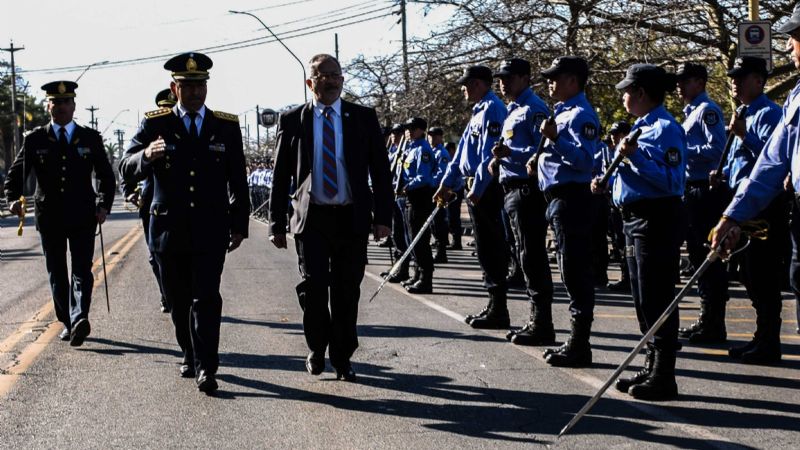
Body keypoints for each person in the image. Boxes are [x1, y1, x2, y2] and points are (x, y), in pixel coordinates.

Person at [119, 52, 250, 394]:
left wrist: (240, 223)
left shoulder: (225, 126)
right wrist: (146, 157)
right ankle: (189, 351)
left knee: (206, 297)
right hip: (168, 229)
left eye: (200, 86)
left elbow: (238, 180)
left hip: (210, 227)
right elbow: (125, 165)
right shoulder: (155, 124)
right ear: (174, 88)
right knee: (178, 300)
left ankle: (207, 365)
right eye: (188, 86)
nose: (195, 92)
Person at [268, 53, 393, 382]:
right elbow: (281, 175)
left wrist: (383, 217)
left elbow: (381, 171)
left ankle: (342, 356)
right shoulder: (294, 119)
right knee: (314, 286)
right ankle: (316, 346)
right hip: (312, 220)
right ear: (310, 82)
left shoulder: (362, 117)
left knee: (347, 289)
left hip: (350, 218)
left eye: (336, 75)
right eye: (324, 75)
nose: (332, 80)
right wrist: (276, 224)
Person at [711, 7, 800, 362]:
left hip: (771, 209)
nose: (791, 47)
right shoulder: (795, 97)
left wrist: (745, 136)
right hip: (775, 208)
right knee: (759, 276)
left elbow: (768, 161)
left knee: (764, 275)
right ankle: (764, 338)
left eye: (795, 38)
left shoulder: (767, 112)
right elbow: (771, 164)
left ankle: (767, 340)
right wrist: (732, 214)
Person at [4, 80, 115, 347]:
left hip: (82, 216)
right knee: (56, 271)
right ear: (48, 106)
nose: (61, 107)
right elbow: (16, 174)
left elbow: (106, 176)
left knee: (81, 270)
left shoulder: (89, 138)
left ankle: (79, 318)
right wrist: (12, 200)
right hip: (49, 216)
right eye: (55, 102)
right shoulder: (35, 139)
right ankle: (67, 320)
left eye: (66, 102)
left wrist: (103, 206)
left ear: (74, 105)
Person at [604, 63, 687, 400]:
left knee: (658, 295)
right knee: (642, 297)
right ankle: (651, 363)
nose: (623, 96)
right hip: (634, 218)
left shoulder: (666, 128)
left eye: (627, 90)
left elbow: (672, 181)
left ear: (640, 93)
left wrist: (635, 157)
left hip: (657, 217)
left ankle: (665, 373)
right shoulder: (641, 127)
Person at [532, 56, 599, 367]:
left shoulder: (582, 115)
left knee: (574, 272)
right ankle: (575, 340)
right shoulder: (563, 111)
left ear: (573, 81)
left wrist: (556, 139)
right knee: (566, 268)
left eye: (555, 77)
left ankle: (579, 342)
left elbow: (586, 161)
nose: (549, 82)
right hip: (557, 198)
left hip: (572, 198)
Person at [434, 65, 509, 329]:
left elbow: (490, 155)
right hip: (474, 188)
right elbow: (461, 156)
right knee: (484, 248)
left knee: (491, 247)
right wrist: (447, 184)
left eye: (467, 84)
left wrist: (477, 188)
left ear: (479, 84)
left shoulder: (493, 109)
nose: (463, 89)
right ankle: (493, 304)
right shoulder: (478, 112)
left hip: (486, 189)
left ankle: (499, 307)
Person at [488, 58, 555, 347]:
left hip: (527, 190)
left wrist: (510, 153)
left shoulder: (534, 109)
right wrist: (498, 160)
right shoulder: (513, 110)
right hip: (511, 189)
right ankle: (535, 319)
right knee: (523, 254)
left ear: (525, 78)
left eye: (510, 77)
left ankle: (542, 323)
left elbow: (545, 147)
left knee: (532, 255)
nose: (503, 82)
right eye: (501, 78)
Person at [676, 62, 730, 344]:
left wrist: (685, 150)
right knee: (698, 257)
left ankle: (714, 324)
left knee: (709, 258)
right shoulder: (690, 113)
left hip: (704, 191)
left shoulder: (707, 111)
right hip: (692, 189)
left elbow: (717, 147)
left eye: (685, 81)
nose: (679, 86)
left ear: (699, 82)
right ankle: (706, 318)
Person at [122, 87, 178, 314]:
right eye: (164, 107)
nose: (167, 111)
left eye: (171, 107)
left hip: (182, 202)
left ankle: (180, 296)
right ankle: (167, 295)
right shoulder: (152, 128)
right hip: (152, 201)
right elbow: (129, 165)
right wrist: (129, 191)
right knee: (156, 256)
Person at [396, 117, 437, 294]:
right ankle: (417, 273)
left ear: (421, 130)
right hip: (409, 197)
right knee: (411, 238)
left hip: (420, 197)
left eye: (413, 128)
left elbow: (424, 177)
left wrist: (407, 187)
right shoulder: (410, 149)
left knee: (420, 239)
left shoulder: (423, 150)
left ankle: (426, 279)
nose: (409, 131)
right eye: (407, 128)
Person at [604, 121, 633, 292]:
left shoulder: (627, 151)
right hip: (614, 204)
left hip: (627, 206)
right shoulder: (614, 152)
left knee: (627, 245)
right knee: (619, 243)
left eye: (617, 133)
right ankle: (625, 276)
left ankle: (630, 278)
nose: (613, 137)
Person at [427, 126, 450, 263]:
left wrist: (429, 181)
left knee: (439, 221)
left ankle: (441, 252)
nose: (432, 138)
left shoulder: (442, 153)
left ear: (441, 137)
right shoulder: (431, 151)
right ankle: (438, 249)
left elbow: (442, 173)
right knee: (433, 223)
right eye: (430, 135)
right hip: (432, 190)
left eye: (435, 135)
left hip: (438, 189)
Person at [443, 141, 465, 250]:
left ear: (452, 150)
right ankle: (449, 240)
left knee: (454, 216)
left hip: (455, 191)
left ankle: (457, 242)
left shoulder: (457, 161)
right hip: (450, 191)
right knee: (449, 216)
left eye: (448, 149)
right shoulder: (449, 161)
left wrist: (450, 189)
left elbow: (457, 179)